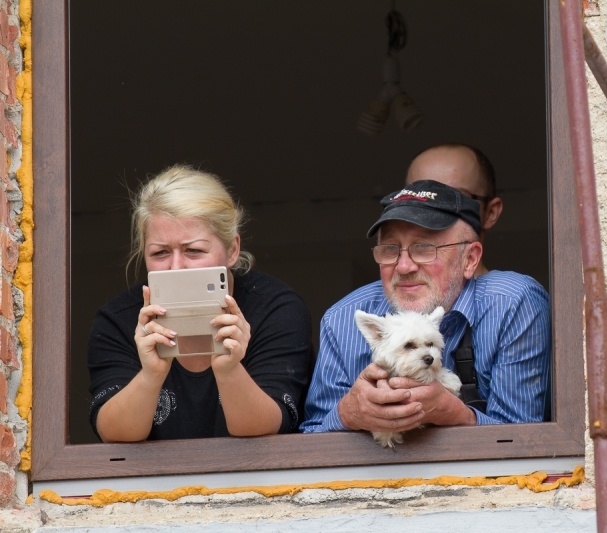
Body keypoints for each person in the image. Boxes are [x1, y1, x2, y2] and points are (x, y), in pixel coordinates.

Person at [301, 180, 550, 435]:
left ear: (469, 259)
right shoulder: (341, 319)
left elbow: (526, 441)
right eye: (390, 249)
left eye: (423, 248)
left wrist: (458, 416)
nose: (404, 266)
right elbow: (310, 440)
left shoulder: (511, 304)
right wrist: (347, 414)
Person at [88, 164, 314, 442]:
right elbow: (113, 434)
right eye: (160, 253)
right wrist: (150, 375)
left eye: (193, 250)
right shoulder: (118, 320)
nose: (176, 267)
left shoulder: (276, 309)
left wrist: (229, 370)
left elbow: (266, 429)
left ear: (232, 250)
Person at [405, 142, 504, 276]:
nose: (435, 209)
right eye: (421, 196)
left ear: (491, 213)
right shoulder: (379, 290)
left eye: (454, 198)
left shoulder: (512, 290)